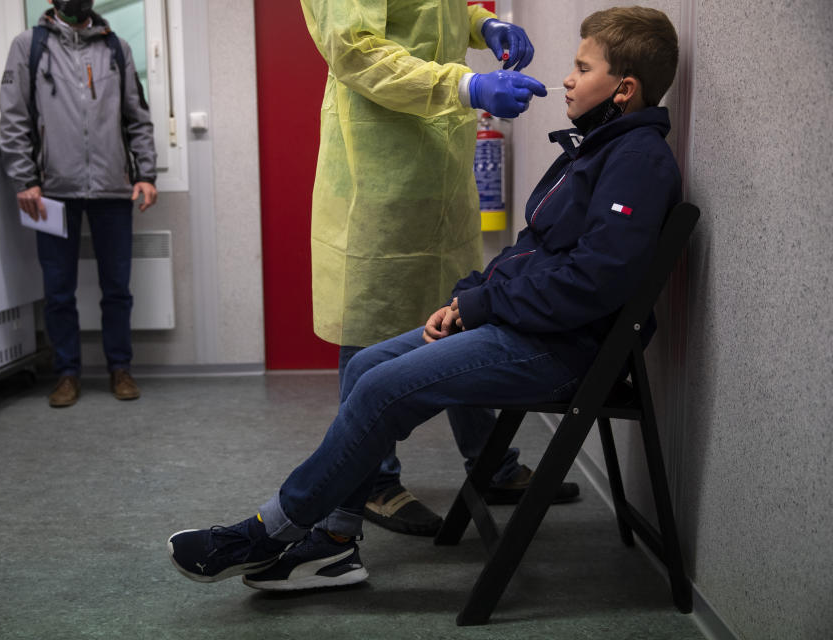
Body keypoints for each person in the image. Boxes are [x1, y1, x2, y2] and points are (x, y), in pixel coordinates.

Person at [168, 5, 680, 592]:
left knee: (384, 389)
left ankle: (267, 530)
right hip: (529, 324)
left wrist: (478, 24)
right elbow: (532, 252)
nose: (567, 78)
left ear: (625, 89)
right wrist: (470, 296)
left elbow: (594, 282)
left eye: (581, 67)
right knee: (364, 363)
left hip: (558, 348)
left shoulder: (635, 162)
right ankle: (334, 543)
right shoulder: (594, 148)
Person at [301, 0, 577, 538]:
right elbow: (354, 49)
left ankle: (490, 462)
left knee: (459, 309)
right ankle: (375, 480)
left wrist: (483, 23)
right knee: (372, 319)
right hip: (377, 166)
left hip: (440, 165)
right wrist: (467, 86)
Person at [0, 0, 157, 408]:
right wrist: (25, 179)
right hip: (52, 190)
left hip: (112, 188)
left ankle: (120, 368)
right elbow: (13, 117)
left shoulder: (116, 48)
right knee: (57, 290)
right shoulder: (27, 46)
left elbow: (136, 116)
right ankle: (66, 374)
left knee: (118, 289)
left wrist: (145, 174)